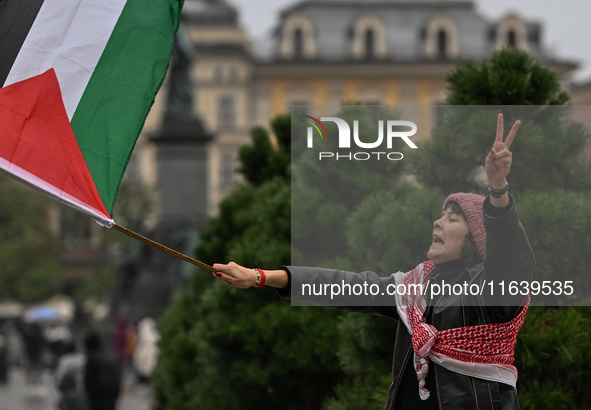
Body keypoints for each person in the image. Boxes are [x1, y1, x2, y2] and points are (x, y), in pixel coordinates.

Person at [213, 114, 534, 410]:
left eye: (452, 219)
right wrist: (260, 277)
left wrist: (497, 190)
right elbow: (342, 286)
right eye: (440, 215)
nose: (437, 223)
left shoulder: (492, 291)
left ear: (477, 239)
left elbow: (511, 254)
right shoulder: (414, 291)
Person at [84, 332, 122, 410]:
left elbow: (88, 382)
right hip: (110, 398)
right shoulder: (110, 357)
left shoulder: (92, 359)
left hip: (97, 399)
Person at [54, 342, 88, 410]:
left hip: (68, 391)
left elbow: (59, 376)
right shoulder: (83, 358)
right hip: (83, 390)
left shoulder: (64, 359)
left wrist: (58, 387)